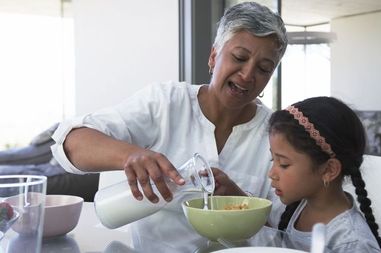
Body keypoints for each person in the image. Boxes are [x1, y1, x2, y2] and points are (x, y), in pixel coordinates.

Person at [50, 1, 287, 211]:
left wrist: (243, 203)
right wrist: (130, 154)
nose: (247, 75)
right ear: (214, 57)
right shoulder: (166, 102)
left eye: (264, 68)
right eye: (239, 57)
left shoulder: (275, 135)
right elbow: (70, 144)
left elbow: (283, 230)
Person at [268, 97, 381, 252]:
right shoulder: (297, 208)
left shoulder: (353, 244)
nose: (271, 174)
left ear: (329, 170)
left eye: (284, 164)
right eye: (272, 159)